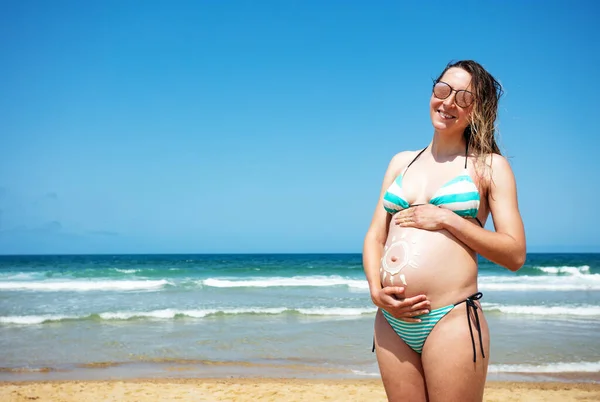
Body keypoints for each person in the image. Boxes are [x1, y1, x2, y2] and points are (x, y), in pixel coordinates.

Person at [362, 60, 526, 402]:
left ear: (478, 110)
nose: (448, 102)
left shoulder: (489, 166)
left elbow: (514, 253)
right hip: (391, 320)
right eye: (443, 90)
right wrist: (375, 291)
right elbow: (376, 234)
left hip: (451, 317)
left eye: (464, 98)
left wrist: (448, 219)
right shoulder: (400, 162)